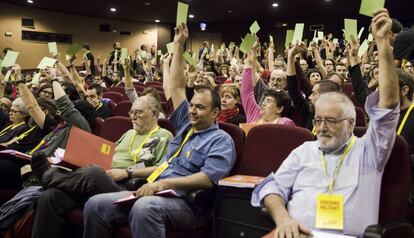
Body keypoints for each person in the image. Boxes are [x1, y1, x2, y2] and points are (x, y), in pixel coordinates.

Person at [251, 9, 399, 237]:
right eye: (318, 120)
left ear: (350, 123)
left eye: (330, 121)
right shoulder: (304, 151)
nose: (320, 127)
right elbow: (271, 187)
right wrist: (283, 219)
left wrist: (383, 46)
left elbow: (387, 106)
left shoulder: (369, 150)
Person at [82, 23, 236, 238]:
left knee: (144, 207)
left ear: (215, 112)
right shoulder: (185, 127)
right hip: (154, 189)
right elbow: (178, 87)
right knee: (95, 204)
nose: (192, 110)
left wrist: (164, 183)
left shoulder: (221, 140)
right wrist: (179, 45)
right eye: (192, 105)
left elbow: (207, 178)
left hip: (186, 204)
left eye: (200, 107)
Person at [30, 95, 173, 238]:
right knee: (49, 197)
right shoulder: (129, 133)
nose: (133, 117)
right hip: (102, 179)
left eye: (138, 112)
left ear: (154, 113)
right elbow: (108, 154)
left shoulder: (164, 136)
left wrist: (126, 172)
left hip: (126, 187)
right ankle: (51, 176)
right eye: (131, 112)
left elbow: (162, 168)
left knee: (93, 172)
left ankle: (48, 176)